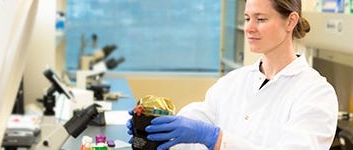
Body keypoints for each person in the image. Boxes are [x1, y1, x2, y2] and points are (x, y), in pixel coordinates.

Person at [127, 0, 338, 149]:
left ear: (291, 21)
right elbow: (196, 124)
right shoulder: (234, 81)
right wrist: (155, 131)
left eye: (261, 19)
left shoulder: (316, 93)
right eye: (247, 18)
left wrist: (215, 138)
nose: (249, 28)